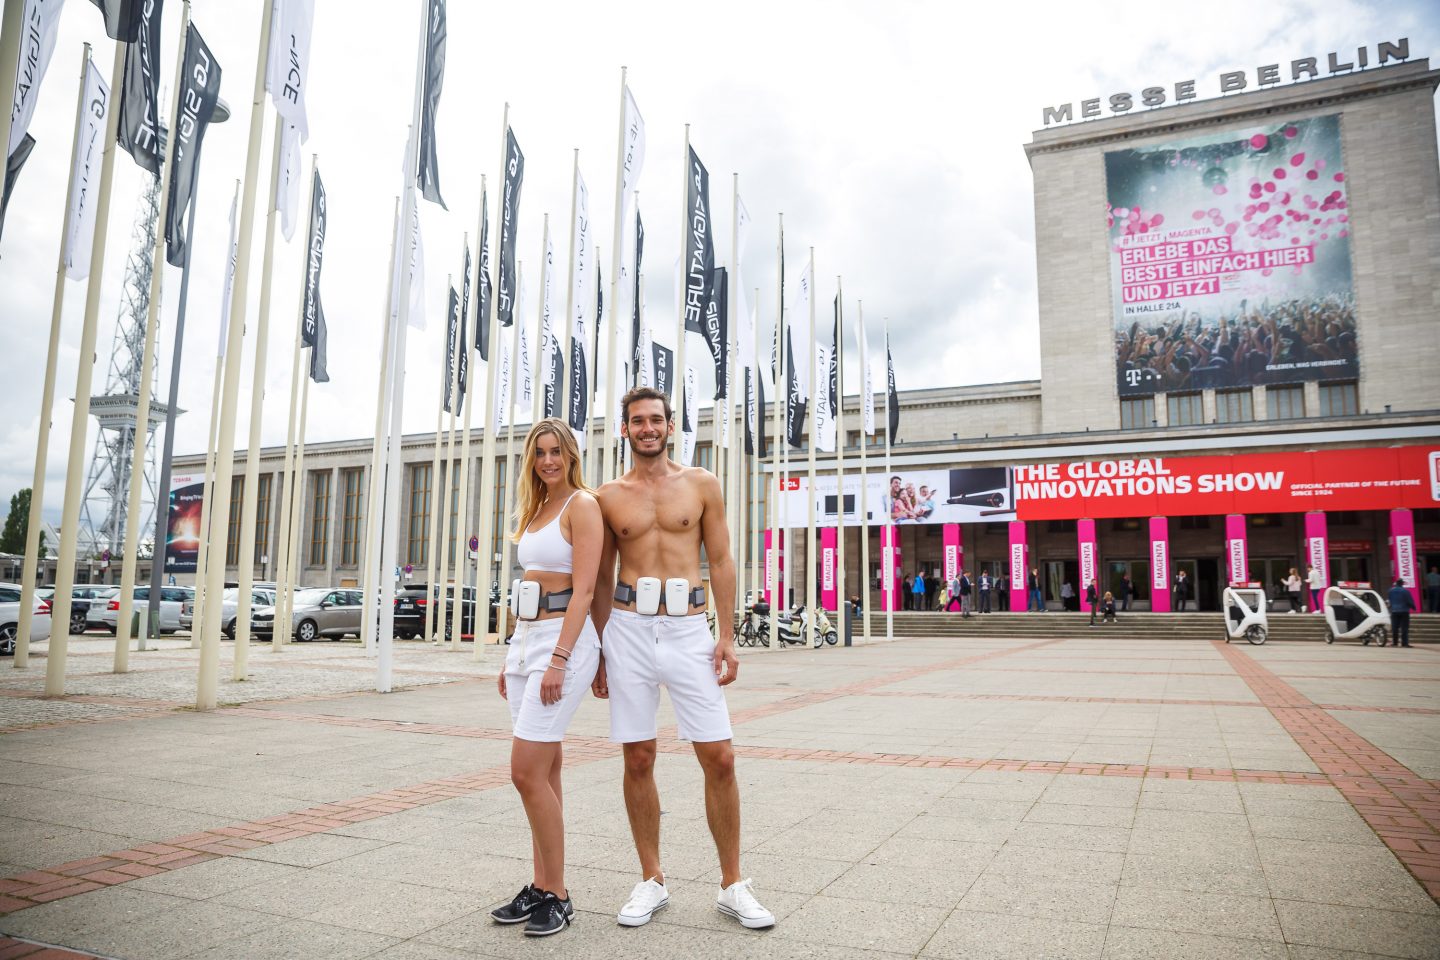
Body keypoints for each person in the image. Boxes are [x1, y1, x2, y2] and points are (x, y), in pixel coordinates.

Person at [591, 388, 775, 930]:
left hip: (690, 628)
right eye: (636, 421)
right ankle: (651, 880)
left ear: (671, 426)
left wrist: (727, 633)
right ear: (623, 430)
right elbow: (601, 578)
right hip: (627, 629)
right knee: (638, 757)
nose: (647, 428)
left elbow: (720, 558)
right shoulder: (607, 497)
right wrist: (600, 646)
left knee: (719, 756)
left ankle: (732, 884)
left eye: (656, 420)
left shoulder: (701, 484)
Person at [490, 419, 604, 937]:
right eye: (540, 453)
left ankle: (558, 895)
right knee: (546, 772)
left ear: (571, 454)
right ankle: (542, 884)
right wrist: (512, 655)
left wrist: (559, 658)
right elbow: (527, 588)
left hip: (565, 643)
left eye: (556, 451)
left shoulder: (582, 505)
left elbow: (583, 591)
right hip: (527, 642)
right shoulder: (536, 509)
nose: (548, 461)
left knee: (525, 772)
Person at [1386, 578, 1417, 648]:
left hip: (1394, 611)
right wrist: (1413, 607)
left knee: (1394, 627)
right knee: (1404, 628)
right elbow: (1409, 601)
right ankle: (1404, 643)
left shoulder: (1390, 591)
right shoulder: (1405, 591)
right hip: (1404, 611)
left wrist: (1390, 607)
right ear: (1402, 584)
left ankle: (1395, 643)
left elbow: (1389, 600)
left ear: (1396, 583)